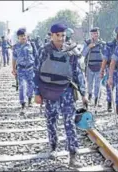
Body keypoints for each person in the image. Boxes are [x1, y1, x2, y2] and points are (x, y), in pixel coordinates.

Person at [34, 23, 87, 168]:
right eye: (58, 35)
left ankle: (73, 155)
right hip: (49, 92)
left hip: (67, 93)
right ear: (51, 35)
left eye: (63, 35)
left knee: (69, 122)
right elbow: (36, 72)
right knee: (51, 121)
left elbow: (77, 73)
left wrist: (83, 93)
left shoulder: (71, 51)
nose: (61, 38)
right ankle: (53, 146)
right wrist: (37, 93)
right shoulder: (44, 51)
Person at [100, 25, 118, 112]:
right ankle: (109, 104)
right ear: (116, 35)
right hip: (111, 69)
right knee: (110, 87)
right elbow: (105, 59)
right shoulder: (109, 45)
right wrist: (102, 71)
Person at [12, 28, 37, 109]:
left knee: (31, 85)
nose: (23, 37)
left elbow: (36, 57)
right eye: (21, 36)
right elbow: (14, 58)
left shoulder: (32, 45)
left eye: (24, 35)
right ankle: (23, 102)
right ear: (18, 37)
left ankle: (30, 99)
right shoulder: (16, 47)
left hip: (31, 68)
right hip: (21, 69)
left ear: (27, 36)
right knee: (22, 86)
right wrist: (13, 69)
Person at [82, 27, 106, 106]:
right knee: (90, 84)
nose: (95, 35)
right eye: (93, 34)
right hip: (90, 66)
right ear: (91, 35)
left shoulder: (102, 43)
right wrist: (89, 47)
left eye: (96, 33)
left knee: (98, 84)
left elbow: (105, 54)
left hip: (99, 66)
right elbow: (83, 54)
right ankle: (89, 95)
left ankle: (97, 99)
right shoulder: (87, 42)